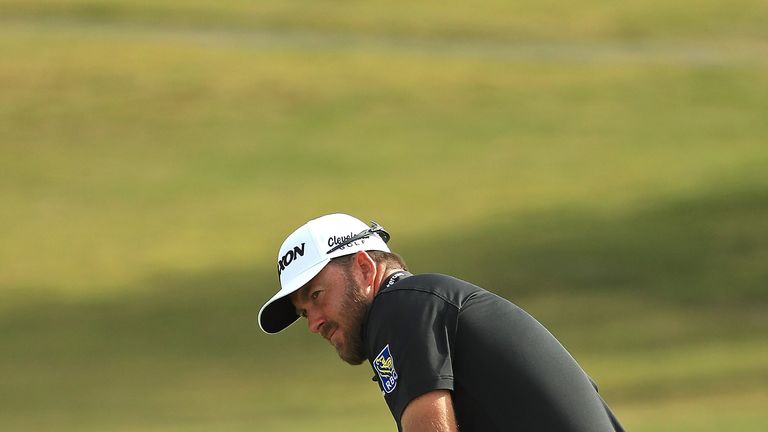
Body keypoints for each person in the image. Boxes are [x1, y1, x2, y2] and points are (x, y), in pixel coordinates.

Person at [259, 213, 624, 432]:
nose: (314, 323)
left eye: (317, 296)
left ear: (365, 268)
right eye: (304, 312)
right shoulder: (420, 306)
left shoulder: (399, 307)